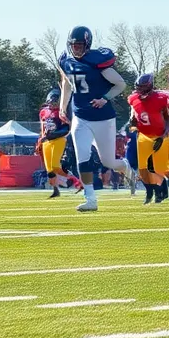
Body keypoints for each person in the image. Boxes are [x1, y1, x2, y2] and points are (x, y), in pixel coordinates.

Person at [58, 25, 132, 212]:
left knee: (108, 162)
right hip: (80, 117)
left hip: (102, 118)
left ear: (87, 44)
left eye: (80, 45)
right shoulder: (66, 62)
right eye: (73, 45)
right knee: (82, 158)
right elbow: (67, 85)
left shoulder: (97, 61)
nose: (76, 48)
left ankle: (129, 167)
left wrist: (104, 98)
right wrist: (62, 107)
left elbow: (120, 84)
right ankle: (90, 198)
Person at [127, 74, 169, 203]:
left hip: (164, 134)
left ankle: (164, 191)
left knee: (157, 166)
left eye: (143, 87)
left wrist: (165, 134)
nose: (140, 90)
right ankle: (164, 190)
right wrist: (133, 120)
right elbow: (134, 113)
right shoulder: (134, 98)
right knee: (147, 166)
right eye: (139, 88)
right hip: (144, 134)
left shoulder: (162, 97)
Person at [37, 88, 81, 198]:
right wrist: (41, 139)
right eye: (51, 101)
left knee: (56, 167)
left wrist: (53, 135)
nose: (53, 103)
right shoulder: (43, 112)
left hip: (58, 140)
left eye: (56, 101)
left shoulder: (62, 112)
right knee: (50, 170)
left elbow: (67, 129)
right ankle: (55, 190)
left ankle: (78, 183)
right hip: (46, 141)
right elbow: (43, 127)